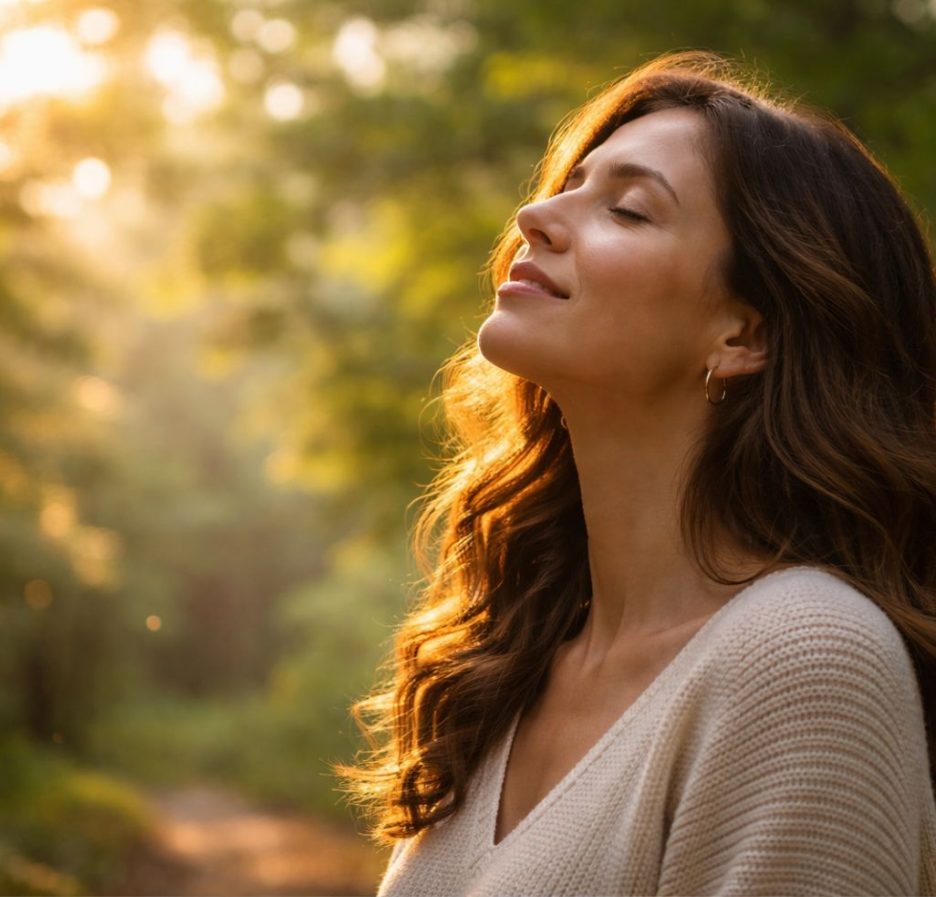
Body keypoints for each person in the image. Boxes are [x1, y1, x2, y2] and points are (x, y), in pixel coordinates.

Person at [344, 51, 936, 895]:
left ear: (744, 335)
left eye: (627, 209)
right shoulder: (518, 657)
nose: (535, 214)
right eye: (569, 184)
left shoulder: (807, 663)